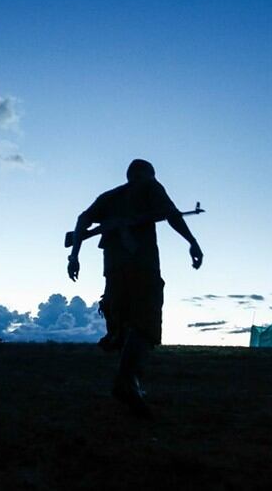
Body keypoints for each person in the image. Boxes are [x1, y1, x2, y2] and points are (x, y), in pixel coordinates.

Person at [67, 159, 203, 418]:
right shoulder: (150, 186)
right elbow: (172, 215)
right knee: (144, 324)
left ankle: (130, 382)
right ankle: (127, 384)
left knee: (124, 325)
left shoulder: (109, 197)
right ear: (147, 174)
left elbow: (82, 220)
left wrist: (74, 256)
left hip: (114, 270)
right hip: (142, 266)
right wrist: (192, 242)